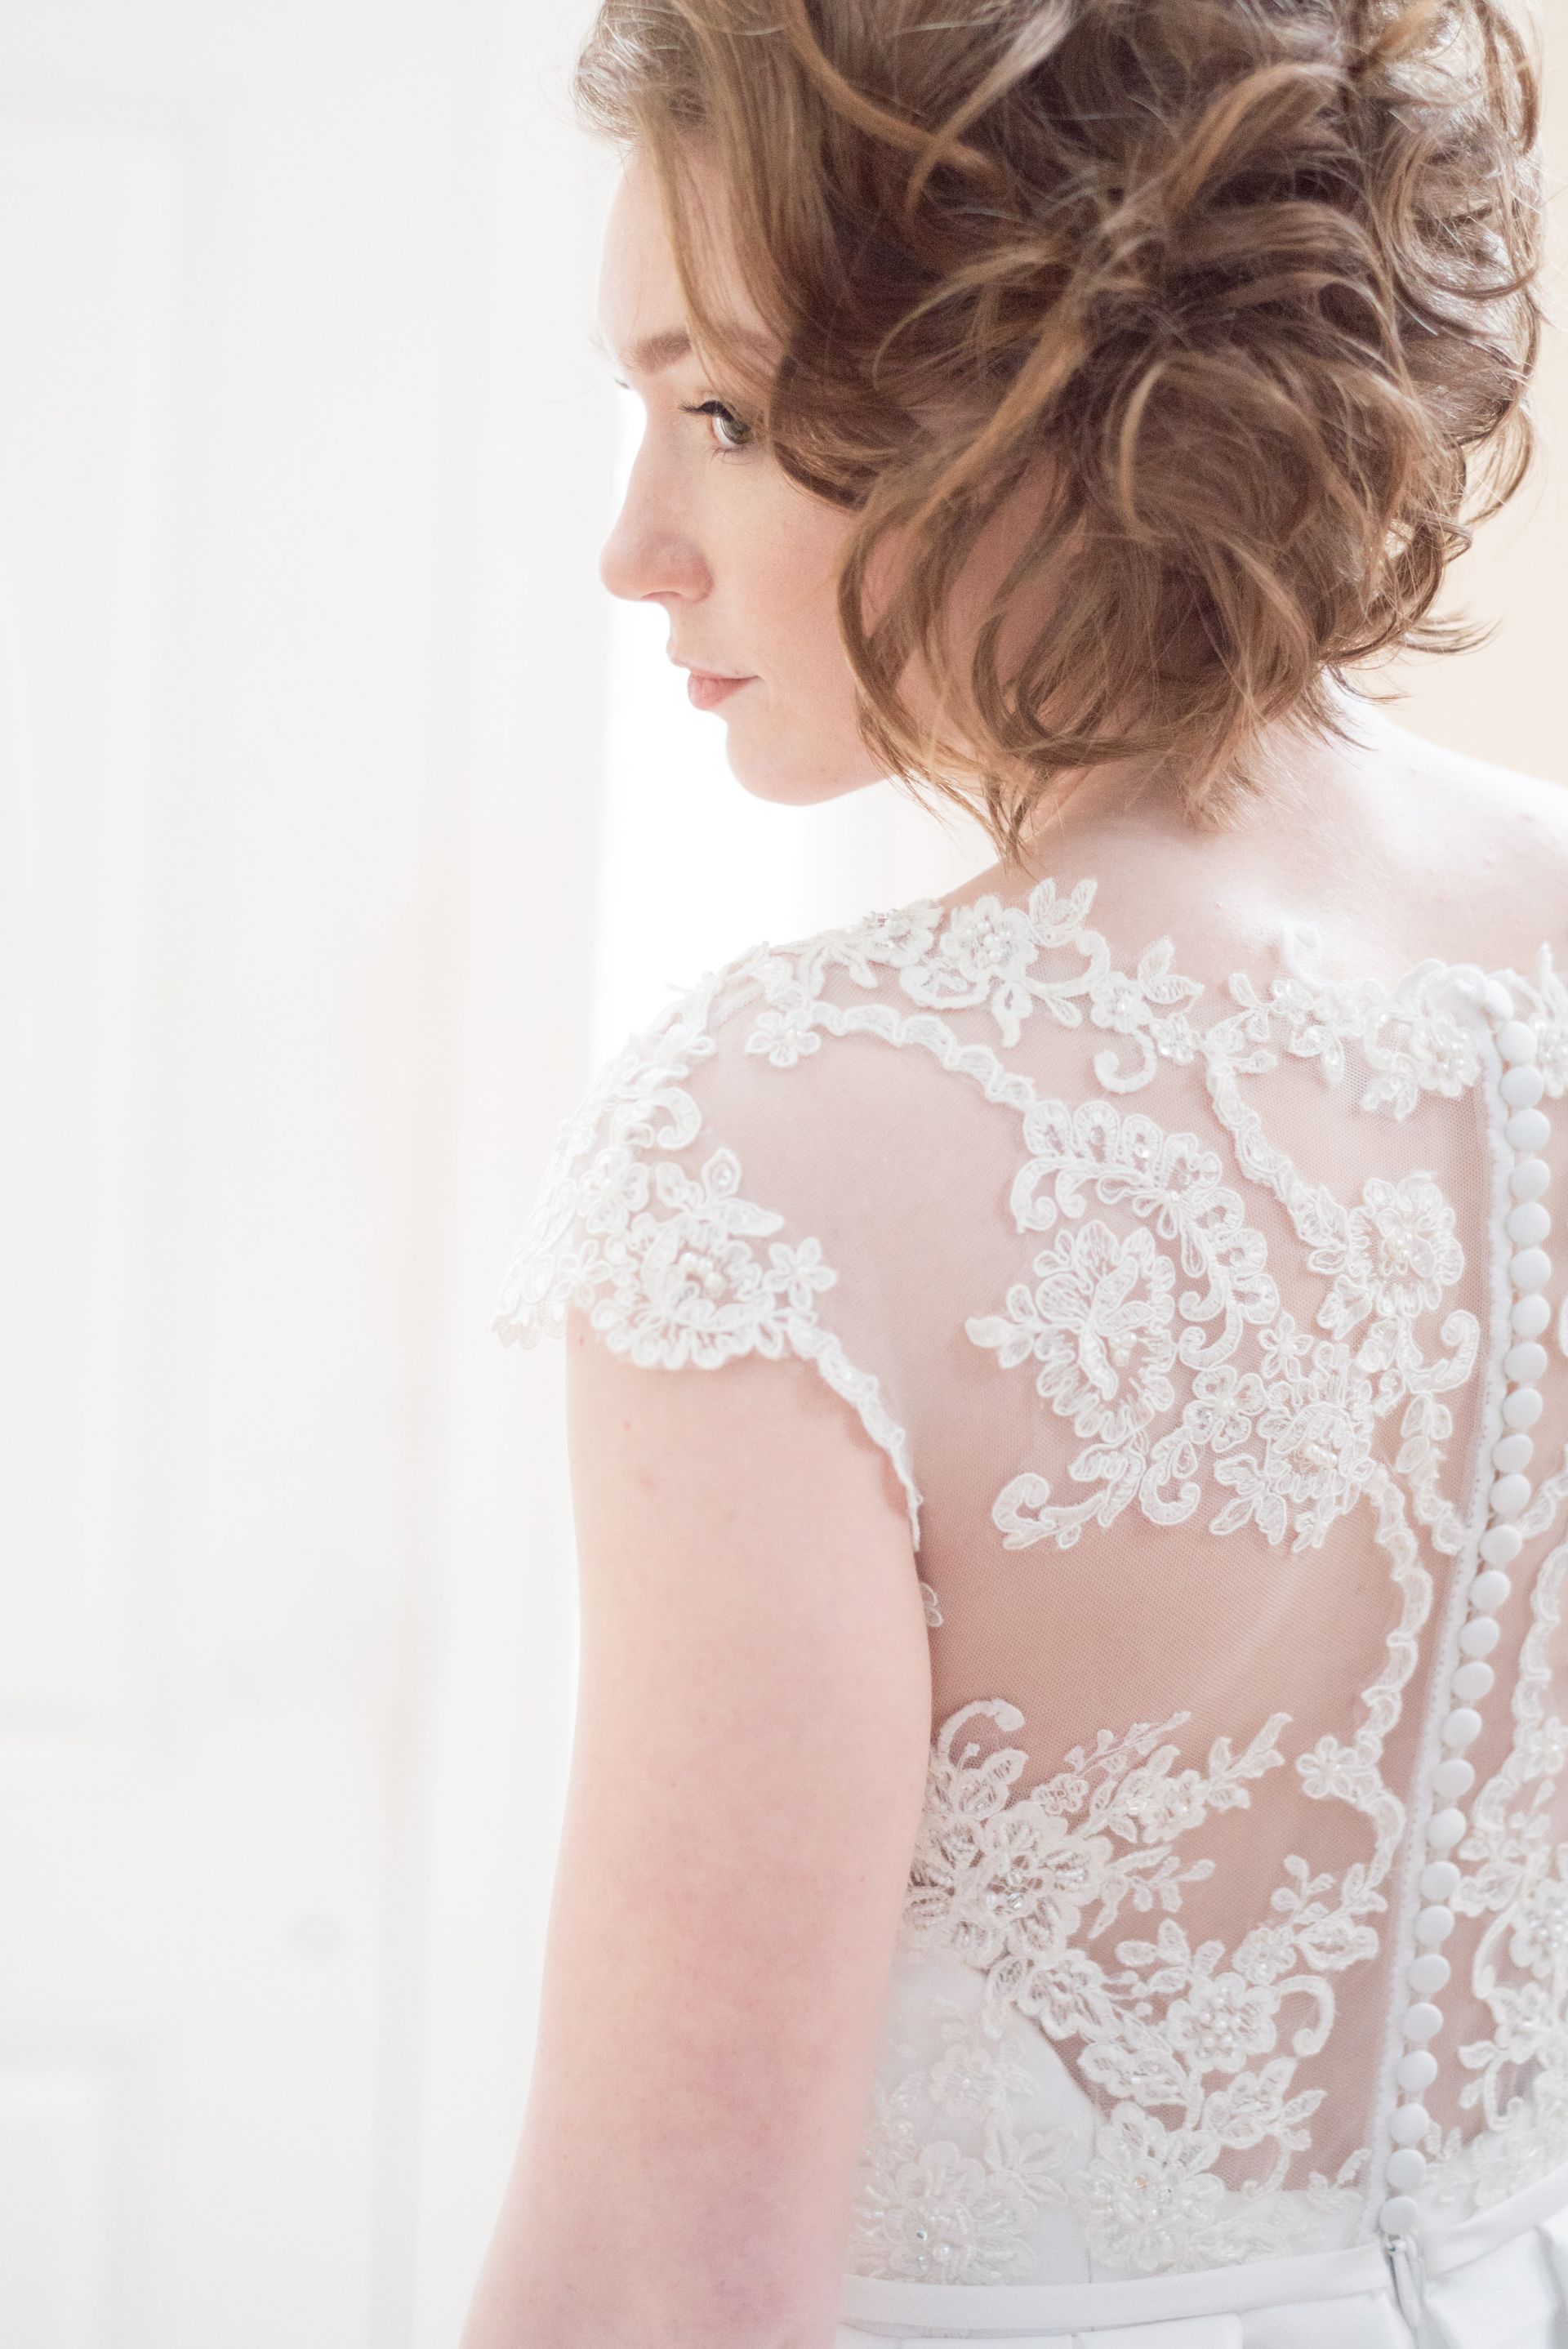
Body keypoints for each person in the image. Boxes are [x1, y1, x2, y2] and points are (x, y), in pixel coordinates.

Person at [462, 3, 1568, 2343]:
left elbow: (665, 2287)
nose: (635, 548)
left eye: (722, 414)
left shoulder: (789, 1136)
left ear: (1048, 399)